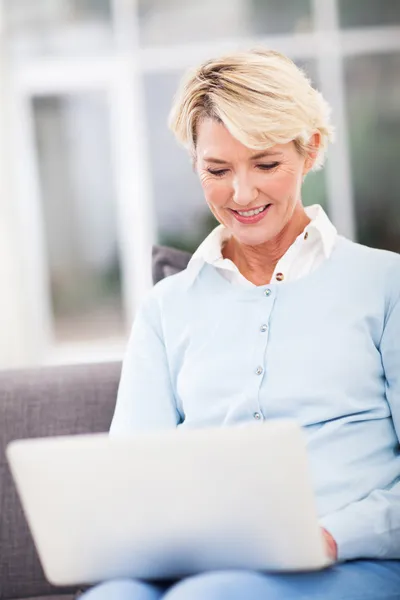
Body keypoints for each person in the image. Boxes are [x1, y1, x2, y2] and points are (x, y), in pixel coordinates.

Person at [81, 49, 400, 599]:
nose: (242, 194)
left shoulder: (385, 285)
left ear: (311, 150)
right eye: (217, 170)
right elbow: (132, 476)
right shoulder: (167, 307)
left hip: (347, 560)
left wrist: (329, 536)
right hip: (200, 561)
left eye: (267, 164)